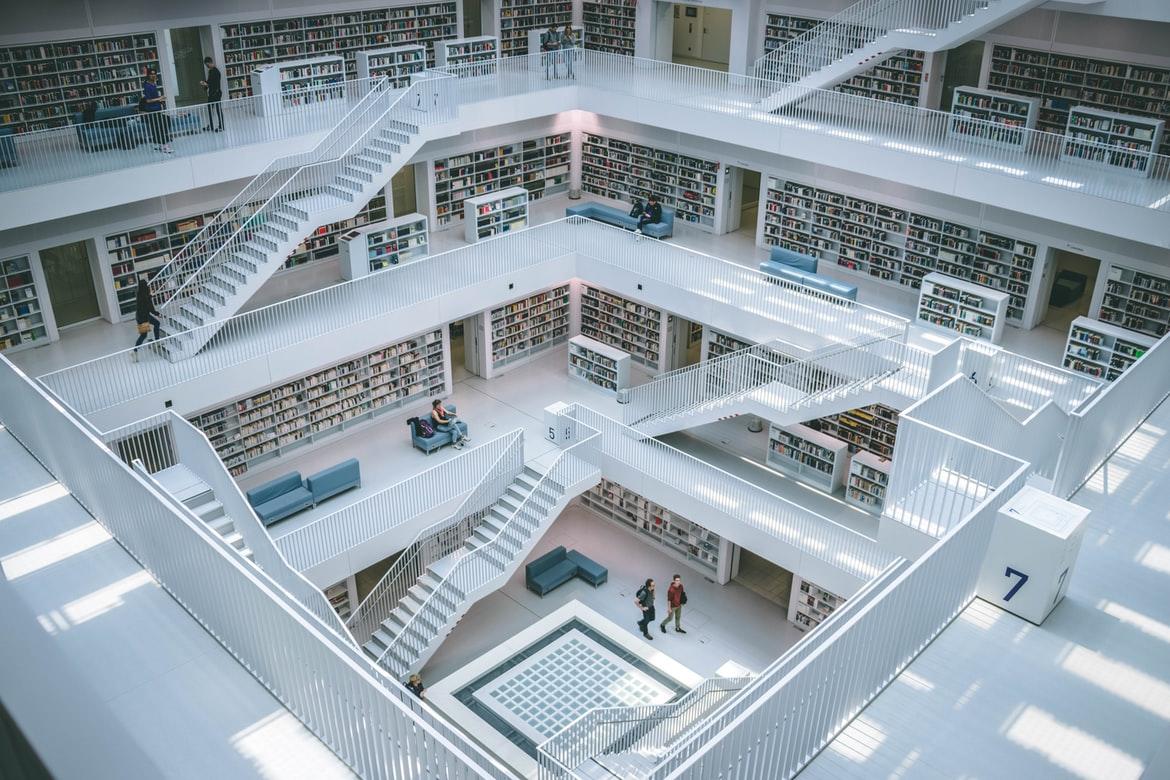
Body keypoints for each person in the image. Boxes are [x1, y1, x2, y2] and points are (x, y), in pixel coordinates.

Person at [141, 69, 172, 154]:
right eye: (151, 74)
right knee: (160, 127)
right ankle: (164, 145)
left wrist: (160, 101)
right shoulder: (147, 86)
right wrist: (159, 98)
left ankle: (160, 144)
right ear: (148, 75)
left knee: (162, 124)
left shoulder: (153, 84)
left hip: (157, 109)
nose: (153, 75)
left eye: (155, 74)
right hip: (152, 111)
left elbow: (153, 98)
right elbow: (148, 100)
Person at [133, 277, 162, 360]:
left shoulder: (139, 294)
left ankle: (157, 341)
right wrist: (158, 314)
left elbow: (145, 303)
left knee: (155, 324)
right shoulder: (146, 297)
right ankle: (135, 350)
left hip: (140, 316)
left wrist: (150, 296)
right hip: (144, 318)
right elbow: (150, 309)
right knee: (144, 335)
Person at [200, 56, 224, 132]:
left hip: (216, 94)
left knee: (218, 110)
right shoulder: (211, 71)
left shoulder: (216, 72)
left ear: (210, 63)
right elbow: (209, 82)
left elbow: (213, 84)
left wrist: (206, 84)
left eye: (207, 65)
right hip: (212, 93)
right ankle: (211, 125)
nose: (207, 66)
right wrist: (205, 84)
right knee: (210, 110)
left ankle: (221, 126)